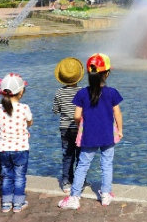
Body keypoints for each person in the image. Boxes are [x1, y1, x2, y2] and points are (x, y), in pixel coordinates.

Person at [58, 53, 123, 210]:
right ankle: (106, 195)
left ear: (88, 73)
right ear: (107, 74)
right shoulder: (112, 92)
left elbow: (77, 116)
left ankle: (74, 197)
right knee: (107, 164)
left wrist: (81, 123)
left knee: (83, 165)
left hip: (89, 135)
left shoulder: (82, 93)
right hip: (108, 135)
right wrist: (120, 131)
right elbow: (117, 113)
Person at [0, 73, 33, 213]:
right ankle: (18, 203)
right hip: (20, 148)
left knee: (7, 176)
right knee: (19, 177)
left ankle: (6, 203)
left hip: (4, 148)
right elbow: (30, 122)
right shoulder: (24, 108)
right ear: (21, 91)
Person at [52, 57, 90, 193]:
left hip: (65, 128)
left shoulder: (59, 92)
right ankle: (81, 181)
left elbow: (55, 110)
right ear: (79, 77)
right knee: (81, 155)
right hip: (81, 128)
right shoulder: (83, 92)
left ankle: (66, 181)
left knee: (67, 155)